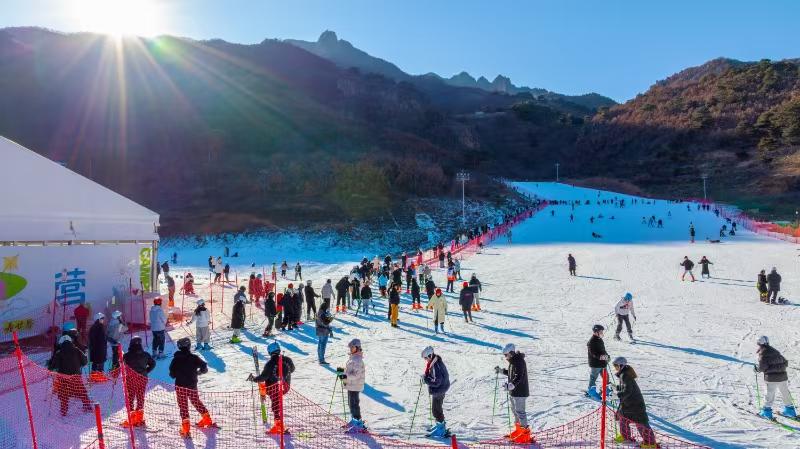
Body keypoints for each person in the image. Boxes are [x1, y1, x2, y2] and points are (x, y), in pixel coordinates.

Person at [170, 337, 213, 437]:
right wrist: (199, 372)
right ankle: (207, 420)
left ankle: (186, 429)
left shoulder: (175, 359)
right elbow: (204, 367)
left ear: (179, 347)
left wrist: (178, 373)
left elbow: (172, 375)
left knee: (183, 406)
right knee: (196, 401)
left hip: (180, 386)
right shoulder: (194, 357)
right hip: (192, 385)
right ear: (189, 346)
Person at [249, 341, 295, 434]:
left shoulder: (270, 363)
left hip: (273, 388)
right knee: (276, 403)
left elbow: (264, 377)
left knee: (275, 404)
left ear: (270, 352)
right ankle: (278, 424)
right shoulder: (288, 360)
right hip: (284, 387)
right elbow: (292, 369)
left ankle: (279, 426)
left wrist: (254, 379)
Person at [612, 357, 656, 447]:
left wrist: (617, 394)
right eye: (614, 366)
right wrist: (614, 388)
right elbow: (624, 388)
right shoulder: (623, 374)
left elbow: (628, 390)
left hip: (635, 405)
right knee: (622, 418)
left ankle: (650, 443)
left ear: (621, 365)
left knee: (641, 423)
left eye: (616, 366)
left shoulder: (625, 375)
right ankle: (626, 436)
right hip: (627, 405)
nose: (615, 368)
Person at [495, 343, 532, 444]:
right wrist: (501, 371)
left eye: (506, 355)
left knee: (520, 412)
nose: (505, 357)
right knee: (515, 411)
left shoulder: (519, 361)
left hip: (520, 392)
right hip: (514, 391)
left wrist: (511, 385)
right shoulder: (513, 361)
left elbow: (518, 376)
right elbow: (511, 373)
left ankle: (525, 435)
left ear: (511, 353)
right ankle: (519, 430)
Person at [47, 335, 93, 415]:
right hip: (76, 376)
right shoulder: (77, 350)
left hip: (64, 378)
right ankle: (87, 406)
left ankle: (64, 411)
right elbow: (85, 362)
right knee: (81, 391)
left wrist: (50, 363)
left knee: (64, 394)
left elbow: (53, 366)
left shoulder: (59, 353)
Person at [756, 336, 796, 419]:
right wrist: (779, 369)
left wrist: (757, 369)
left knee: (769, 394)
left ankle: (766, 412)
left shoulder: (763, 353)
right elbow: (785, 362)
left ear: (759, 343)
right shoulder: (775, 351)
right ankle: (790, 411)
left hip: (771, 378)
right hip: (782, 376)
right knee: (785, 392)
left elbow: (762, 367)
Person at [121, 335, 156, 428]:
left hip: (131, 379)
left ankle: (132, 419)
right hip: (142, 379)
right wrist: (146, 371)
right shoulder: (146, 354)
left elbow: (121, 364)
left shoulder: (127, 355)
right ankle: (139, 418)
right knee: (140, 397)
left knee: (130, 398)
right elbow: (153, 364)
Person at [422, 346, 451, 438]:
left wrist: (426, 380)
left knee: (436, 410)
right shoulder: (435, 361)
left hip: (439, 390)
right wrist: (426, 377)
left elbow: (437, 381)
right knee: (437, 409)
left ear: (430, 355)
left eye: (426, 358)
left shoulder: (435, 366)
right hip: (442, 388)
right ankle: (440, 426)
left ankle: (441, 430)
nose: (425, 360)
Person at [339, 339, 367, 432]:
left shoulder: (357, 360)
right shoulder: (353, 357)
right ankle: (354, 420)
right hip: (351, 385)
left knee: (354, 405)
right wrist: (343, 371)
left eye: (352, 347)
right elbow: (350, 371)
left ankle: (358, 424)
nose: (351, 349)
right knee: (351, 404)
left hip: (355, 385)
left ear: (357, 347)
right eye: (350, 347)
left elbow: (356, 375)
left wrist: (345, 376)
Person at [587, 324, 609, 399]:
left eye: (602, 331)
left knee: (606, 376)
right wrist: (604, 357)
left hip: (602, 363)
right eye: (601, 331)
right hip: (596, 364)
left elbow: (603, 350)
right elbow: (594, 354)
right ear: (596, 332)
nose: (602, 333)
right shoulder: (592, 341)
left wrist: (607, 356)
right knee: (593, 378)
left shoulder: (599, 339)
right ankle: (591, 391)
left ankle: (606, 389)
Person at [88, 312, 109, 382]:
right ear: (98, 319)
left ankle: (94, 377)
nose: (103, 320)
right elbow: (102, 339)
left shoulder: (93, 327)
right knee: (100, 363)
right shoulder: (100, 327)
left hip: (94, 349)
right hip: (100, 349)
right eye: (102, 318)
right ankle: (99, 377)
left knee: (95, 363)